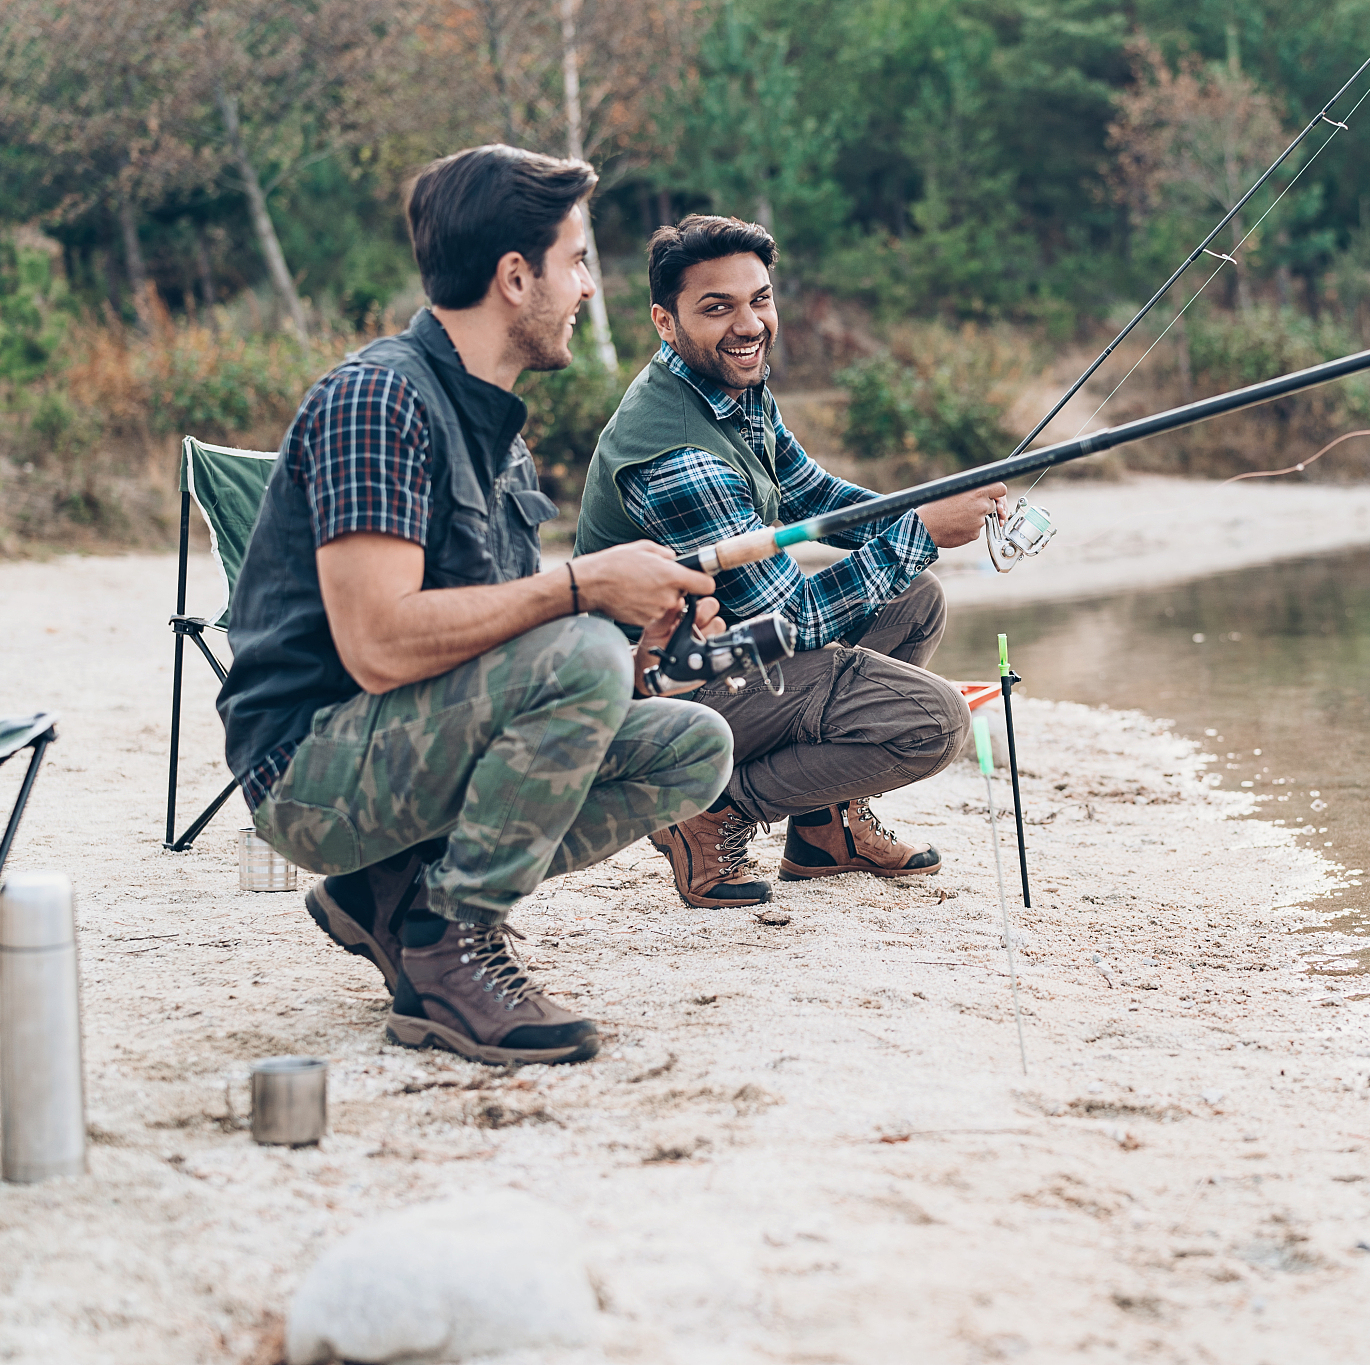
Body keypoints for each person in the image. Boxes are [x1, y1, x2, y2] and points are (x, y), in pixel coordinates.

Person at [217, 146, 735, 1066]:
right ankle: (450, 950)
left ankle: (391, 892)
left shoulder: (499, 436)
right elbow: (377, 645)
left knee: (692, 746)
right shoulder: (377, 399)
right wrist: (582, 591)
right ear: (513, 276)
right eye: (577, 262)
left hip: (406, 741)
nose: (587, 288)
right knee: (582, 648)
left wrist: (636, 636)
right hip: (309, 768)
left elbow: (506, 652)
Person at [574, 215, 1005, 910]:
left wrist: (930, 503)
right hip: (652, 697)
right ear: (664, 320)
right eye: (717, 307)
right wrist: (923, 530)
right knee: (938, 724)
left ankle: (824, 828)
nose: (749, 324)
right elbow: (795, 619)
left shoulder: (730, 388)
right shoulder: (677, 454)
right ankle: (710, 808)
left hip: (722, 650)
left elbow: (815, 494)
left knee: (914, 598)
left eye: (760, 299)